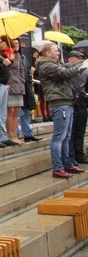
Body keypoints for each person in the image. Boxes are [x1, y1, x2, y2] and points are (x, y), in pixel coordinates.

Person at [35, 42, 85, 179]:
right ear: (48, 53)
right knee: (59, 137)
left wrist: (79, 64)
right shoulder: (46, 66)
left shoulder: (55, 64)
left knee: (67, 137)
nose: (58, 53)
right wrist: (82, 65)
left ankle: (67, 163)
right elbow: (65, 73)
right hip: (59, 103)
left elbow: (67, 66)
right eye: (56, 51)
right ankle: (58, 167)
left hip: (66, 102)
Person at [1, 36, 26, 146]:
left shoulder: (18, 54)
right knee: (10, 110)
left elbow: (21, 69)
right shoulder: (1, 54)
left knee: (16, 111)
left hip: (18, 84)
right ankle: (9, 134)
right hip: (9, 84)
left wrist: (22, 79)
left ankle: (14, 134)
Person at [67, 50, 88, 164]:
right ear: (71, 58)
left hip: (82, 104)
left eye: (81, 58)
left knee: (80, 131)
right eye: (78, 58)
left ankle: (79, 155)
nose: (81, 60)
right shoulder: (68, 70)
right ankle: (72, 156)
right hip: (72, 104)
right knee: (72, 133)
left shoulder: (84, 71)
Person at [18, 40, 40, 142]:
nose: (16, 45)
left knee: (26, 110)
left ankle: (28, 133)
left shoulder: (23, 57)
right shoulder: (9, 57)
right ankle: (16, 132)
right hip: (16, 87)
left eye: (17, 43)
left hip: (25, 85)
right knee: (17, 112)